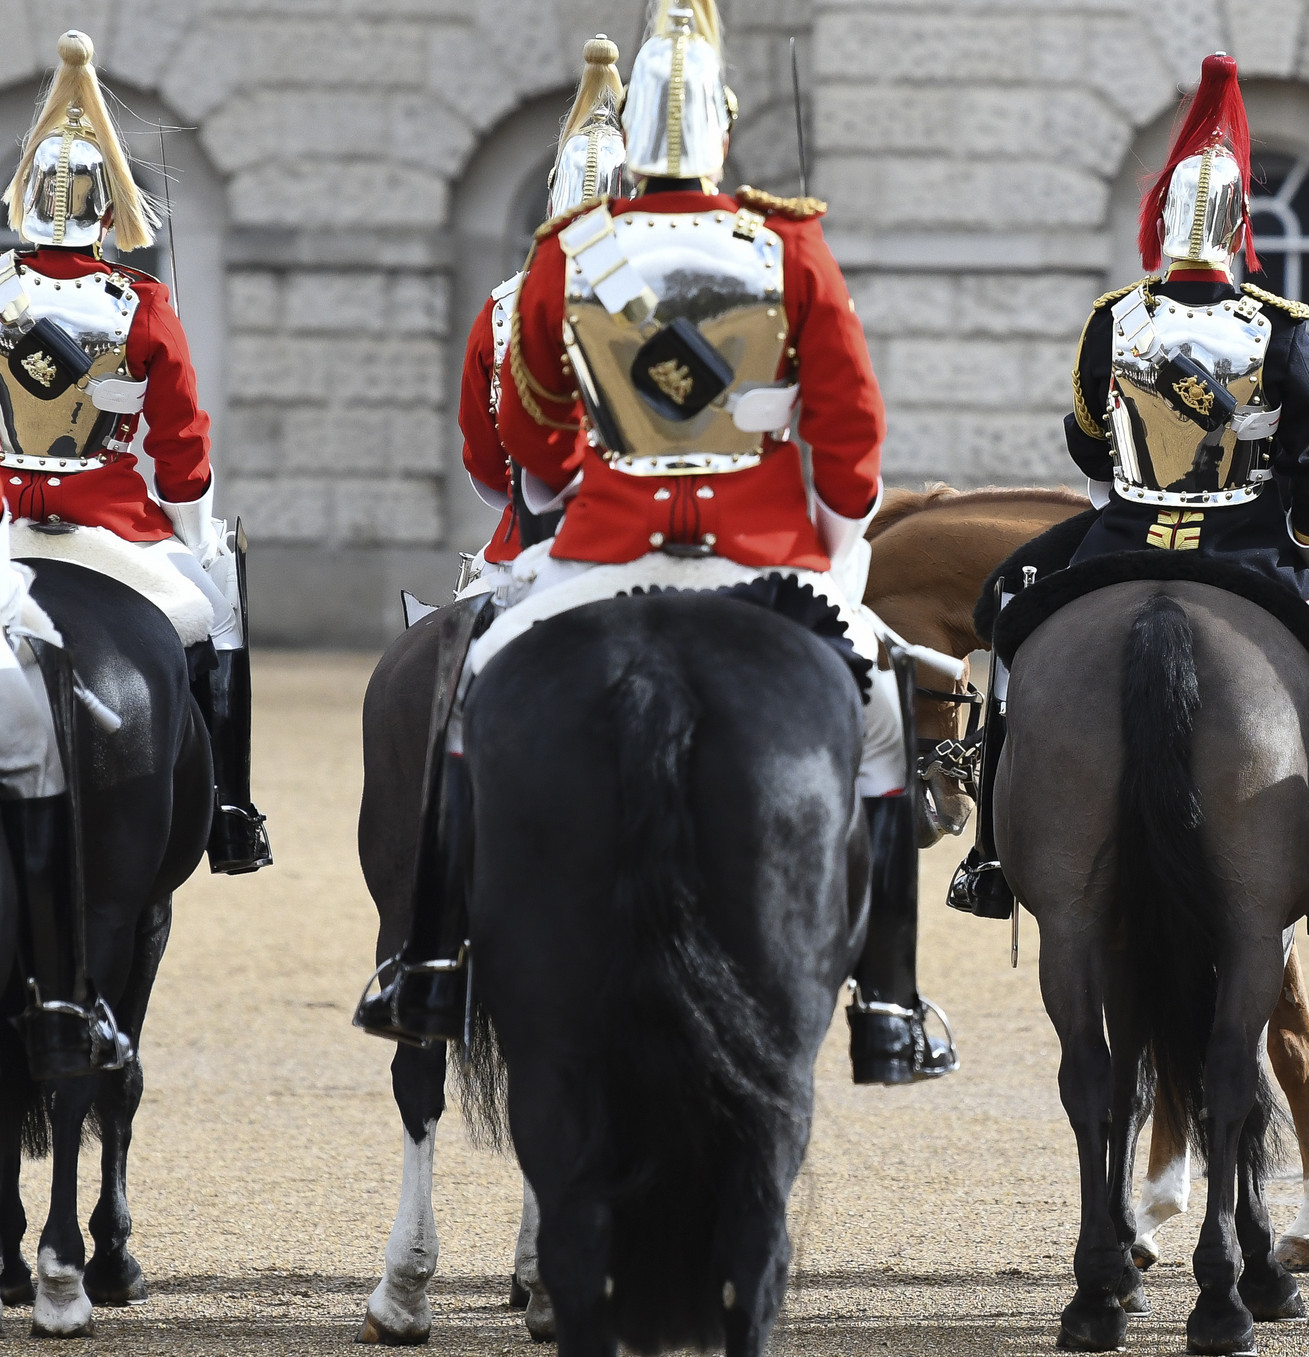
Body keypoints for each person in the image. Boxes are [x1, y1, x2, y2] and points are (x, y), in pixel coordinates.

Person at [356, 0, 957, 1084]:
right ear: (722, 131)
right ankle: (890, 1004)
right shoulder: (785, 243)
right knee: (876, 716)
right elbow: (851, 428)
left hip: (602, 553)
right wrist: (830, 539)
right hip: (764, 557)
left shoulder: (569, 249)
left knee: (467, 697)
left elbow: (532, 435)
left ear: (629, 136)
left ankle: (432, 964)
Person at [945, 53, 1309, 946]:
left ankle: (991, 858)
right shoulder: (1278, 325)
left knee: (1008, 634)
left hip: (1118, 541)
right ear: (1237, 229)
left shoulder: (1116, 316)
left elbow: (1083, 442)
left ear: (1164, 220)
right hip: (1247, 553)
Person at [0, 29, 268, 879]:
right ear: (103, 207)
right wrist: (191, 532)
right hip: (111, 527)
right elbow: (182, 440)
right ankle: (228, 809)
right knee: (215, 613)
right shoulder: (140, 303)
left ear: (29, 197)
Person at [454, 37, 629, 596]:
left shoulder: (504, 308)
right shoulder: (673, 294)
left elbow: (485, 463)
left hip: (522, 550)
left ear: (554, 191)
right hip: (646, 541)